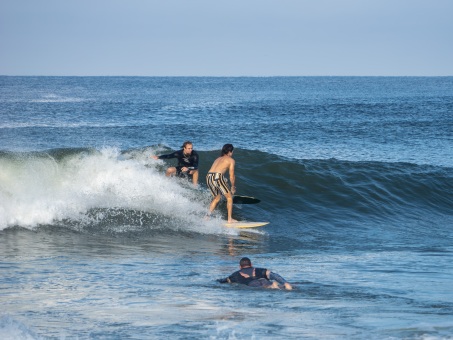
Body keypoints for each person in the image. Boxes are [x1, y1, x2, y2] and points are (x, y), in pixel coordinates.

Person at [217, 257, 293, 290]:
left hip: (252, 283)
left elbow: (224, 280)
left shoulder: (236, 274)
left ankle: (273, 286)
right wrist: (284, 282)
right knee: (271, 284)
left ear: (240, 267)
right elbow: (273, 275)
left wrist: (217, 281)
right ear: (251, 264)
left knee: (264, 287)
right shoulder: (259, 269)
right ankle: (284, 285)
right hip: (264, 279)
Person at [206, 143, 237, 223]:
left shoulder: (217, 159)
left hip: (209, 176)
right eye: (232, 151)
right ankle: (230, 219)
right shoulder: (231, 160)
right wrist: (233, 186)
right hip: (217, 177)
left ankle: (207, 217)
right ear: (230, 151)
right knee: (229, 198)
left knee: (217, 198)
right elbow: (231, 176)